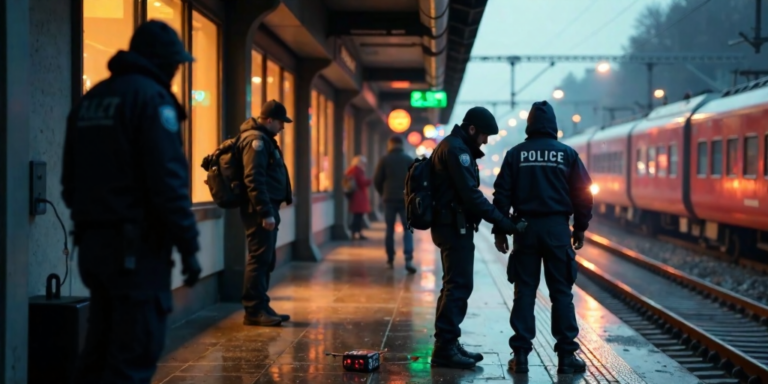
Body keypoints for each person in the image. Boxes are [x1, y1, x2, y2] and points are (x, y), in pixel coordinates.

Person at [62, 20, 202, 384]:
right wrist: (188, 247)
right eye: (174, 63)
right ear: (159, 62)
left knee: (98, 354)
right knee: (132, 357)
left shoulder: (92, 100)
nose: (175, 71)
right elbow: (169, 184)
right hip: (136, 253)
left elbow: (68, 183)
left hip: (94, 248)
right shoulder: (152, 100)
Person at [491, 101, 593, 375]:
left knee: (524, 291)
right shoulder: (567, 154)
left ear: (529, 125)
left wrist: (501, 229)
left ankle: (521, 356)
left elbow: (502, 194)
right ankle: (566, 358)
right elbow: (583, 194)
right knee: (561, 292)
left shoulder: (516, 154)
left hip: (525, 230)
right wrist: (580, 227)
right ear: (554, 126)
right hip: (558, 230)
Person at [429, 107, 523, 369]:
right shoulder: (457, 151)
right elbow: (471, 196)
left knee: (453, 285)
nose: (485, 141)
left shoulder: (454, 146)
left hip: (451, 225)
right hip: (453, 227)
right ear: (472, 129)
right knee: (458, 286)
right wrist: (503, 222)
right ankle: (445, 348)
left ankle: (447, 342)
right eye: (484, 135)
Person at [238, 99, 294, 326]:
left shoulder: (265, 140)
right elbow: (254, 178)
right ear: (269, 120)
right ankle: (253, 310)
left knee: (266, 258)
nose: (283, 127)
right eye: (281, 122)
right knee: (259, 259)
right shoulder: (256, 141)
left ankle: (262, 305)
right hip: (260, 211)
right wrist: (265, 213)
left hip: (267, 208)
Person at [373, 135, 416, 273]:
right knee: (408, 229)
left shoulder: (384, 160)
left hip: (389, 199)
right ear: (402, 145)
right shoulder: (408, 160)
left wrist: (383, 192)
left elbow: (377, 180)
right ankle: (408, 258)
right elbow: (416, 179)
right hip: (405, 199)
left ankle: (390, 260)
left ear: (390, 144)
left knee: (390, 229)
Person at [345, 155, 372, 240]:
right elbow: (362, 182)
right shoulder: (358, 170)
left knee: (357, 216)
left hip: (355, 195)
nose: (365, 165)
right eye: (364, 163)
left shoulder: (352, 170)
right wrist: (370, 180)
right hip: (358, 196)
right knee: (358, 216)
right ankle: (357, 233)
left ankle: (356, 232)